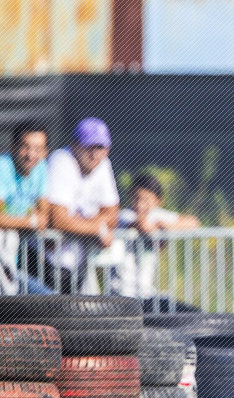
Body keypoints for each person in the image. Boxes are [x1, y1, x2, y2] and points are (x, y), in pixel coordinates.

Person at [40, 118, 119, 293]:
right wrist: (99, 229)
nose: (95, 154)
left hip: (76, 265)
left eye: (101, 148)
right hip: (41, 262)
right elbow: (58, 219)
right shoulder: (61, 159)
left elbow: (113, 214)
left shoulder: (103, 164)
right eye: (89, 147)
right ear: (74, 145)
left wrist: (80, 224)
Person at [114, 172, 200, 299]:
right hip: (122, 294)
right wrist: (156, 232)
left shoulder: (156, 216)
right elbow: (142, 225)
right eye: (136, 198)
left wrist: (164, 226)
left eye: (146, 200)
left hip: (146, 293)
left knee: (183, 309)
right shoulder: (123, 215)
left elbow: (193, 223)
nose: (140, 205)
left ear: (159, 201)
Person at [0, 122, 51, 291]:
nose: (31, 154)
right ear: (12, 147)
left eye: (38, 149)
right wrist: (31, 221)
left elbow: (44, 217)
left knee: (46, 298)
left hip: (14, 265)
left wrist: (13, 221)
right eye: (25, 147)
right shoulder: (3, 166)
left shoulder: (41, 168)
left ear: (45, 152)